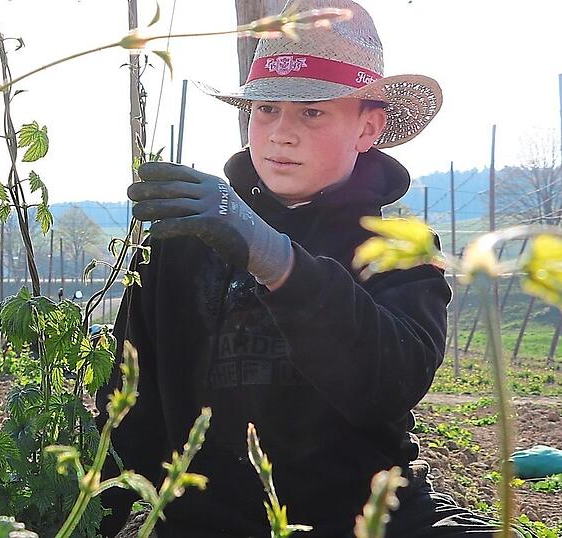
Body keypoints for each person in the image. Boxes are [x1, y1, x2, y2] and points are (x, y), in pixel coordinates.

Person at [96, 1, 506, 536]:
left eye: (312, 112)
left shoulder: (399, 247)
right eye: (265, 109)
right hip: (206, 524)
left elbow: (390, 381)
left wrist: (274, 257)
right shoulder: (181, 242)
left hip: (362, 518)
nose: (280, 133)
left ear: (368, 129)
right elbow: (130, 409)